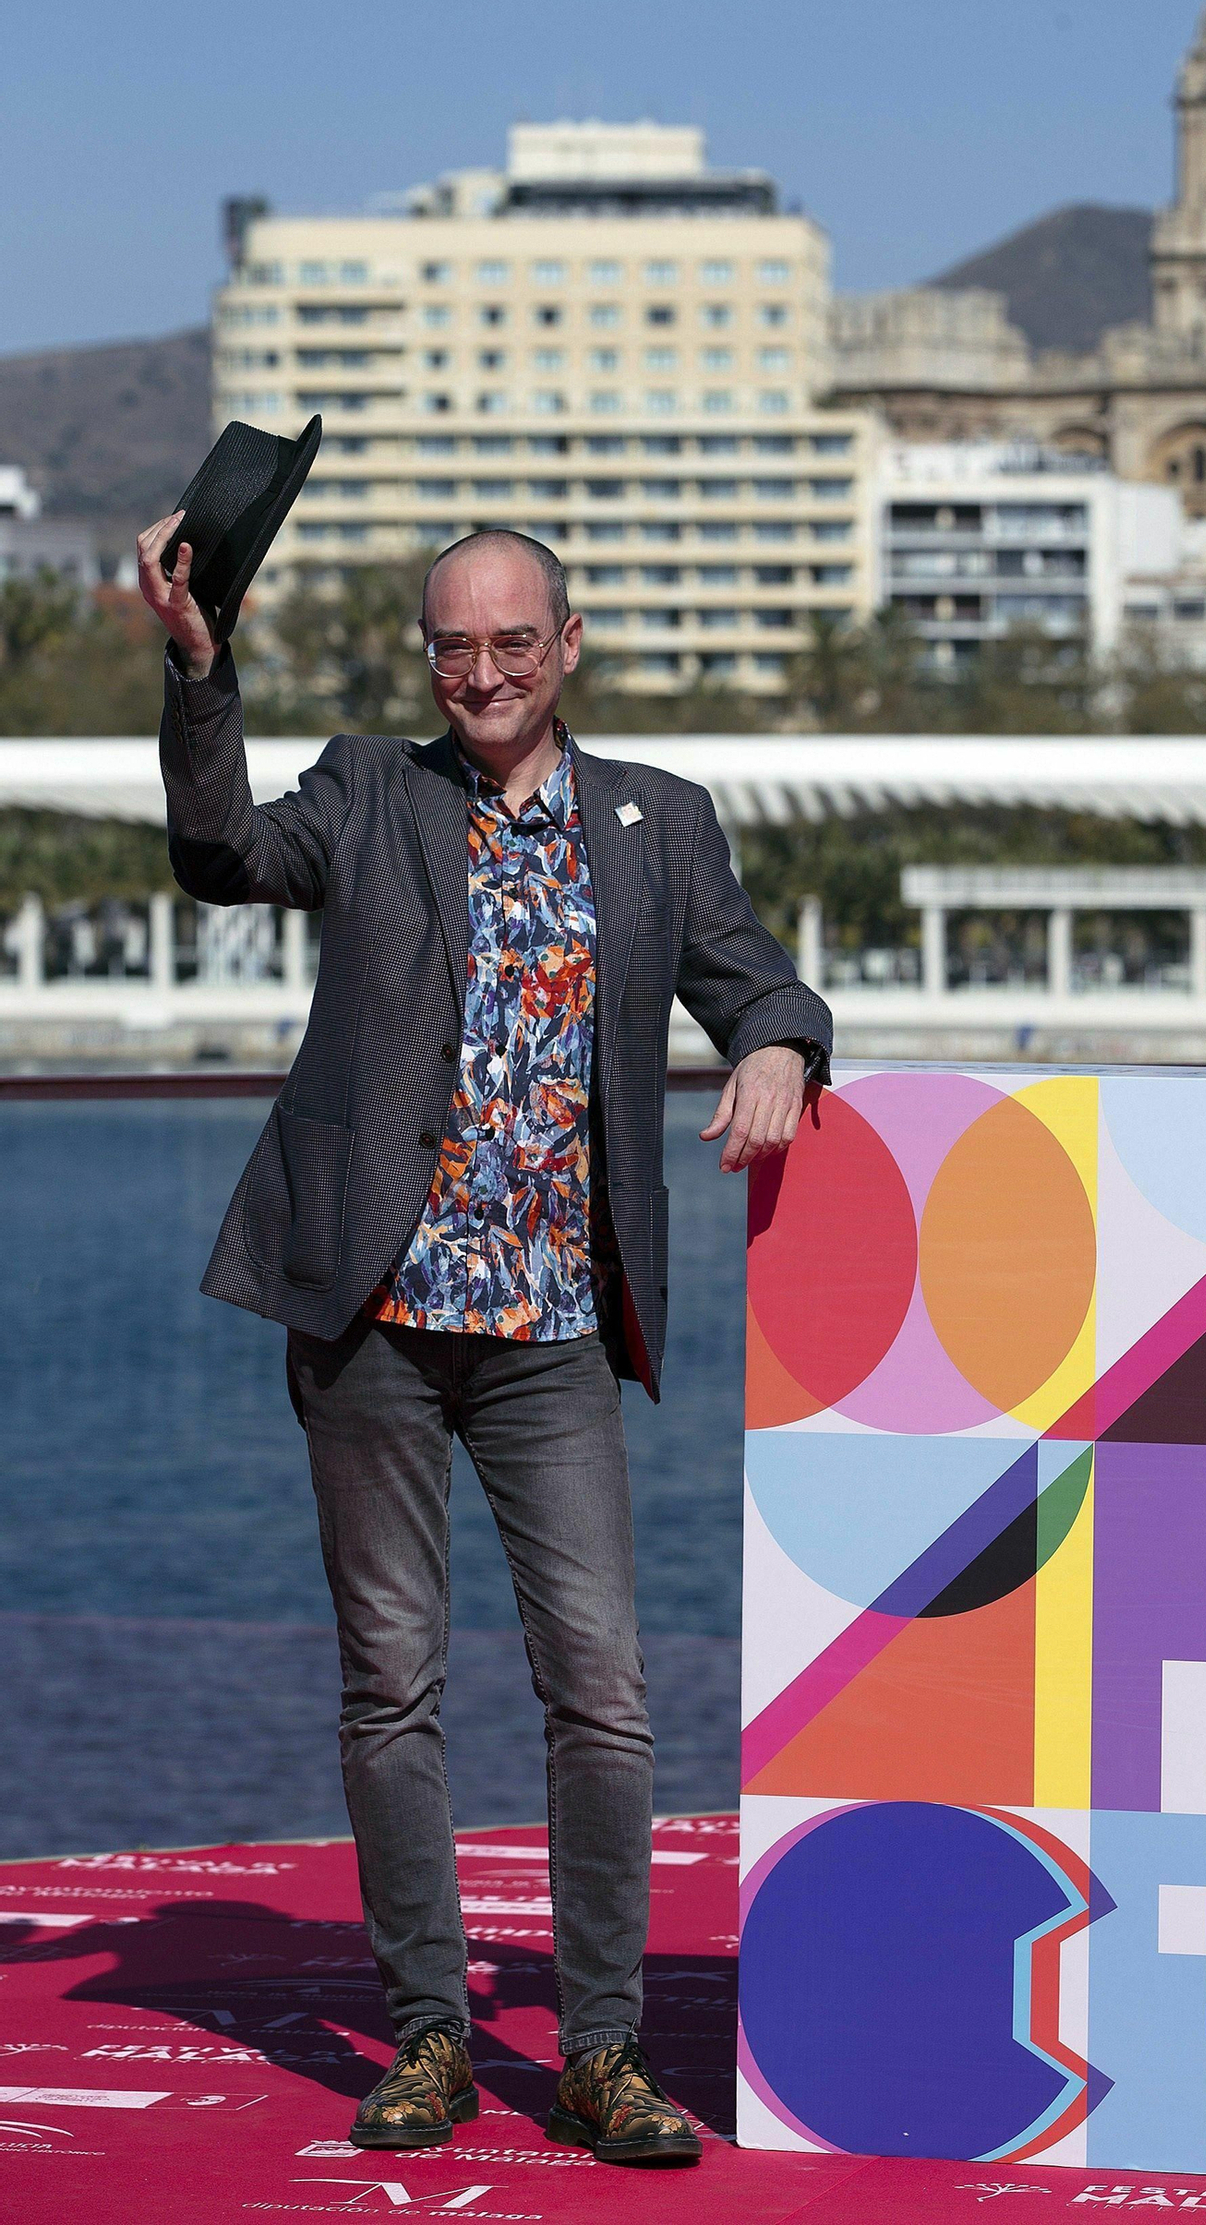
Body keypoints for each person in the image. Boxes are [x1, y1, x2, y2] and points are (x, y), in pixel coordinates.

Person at [137, 515, 832, 2166]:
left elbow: (763, 987)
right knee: (393, 1690)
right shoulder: (373, 793)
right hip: (369, 1313)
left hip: (552, 1331)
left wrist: (787, 1047)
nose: (484, 672)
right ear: (427, 659)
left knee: (602, 1691)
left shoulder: (660, 824)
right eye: (455, 646)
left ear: (567, 645)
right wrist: (196, 666)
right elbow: (220, 854)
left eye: (513, 642)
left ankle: (601, 2052)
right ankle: (432, 2035)